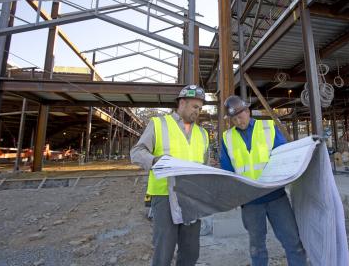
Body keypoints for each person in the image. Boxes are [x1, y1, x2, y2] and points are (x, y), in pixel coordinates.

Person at [220, 95, 307, 266]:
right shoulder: (227, 138)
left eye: (241, 115)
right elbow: (228, 171)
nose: (238, 121)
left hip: (276, 196)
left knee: (293, 242)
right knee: (257, 248)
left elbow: (284, 157)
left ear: (248, 110)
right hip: (250, 202)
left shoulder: (268, 127)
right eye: (234, 118)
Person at [131, 84, 209, 266]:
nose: (198, 111)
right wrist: (155, 161)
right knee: (164, 251)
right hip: (165, 196)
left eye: (200, 108)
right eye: (194, 107)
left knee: (190, 251)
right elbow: (136, 152)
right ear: (182, 103)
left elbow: (204, 165)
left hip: (192, 198)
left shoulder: (203, 133)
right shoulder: (158, 124)